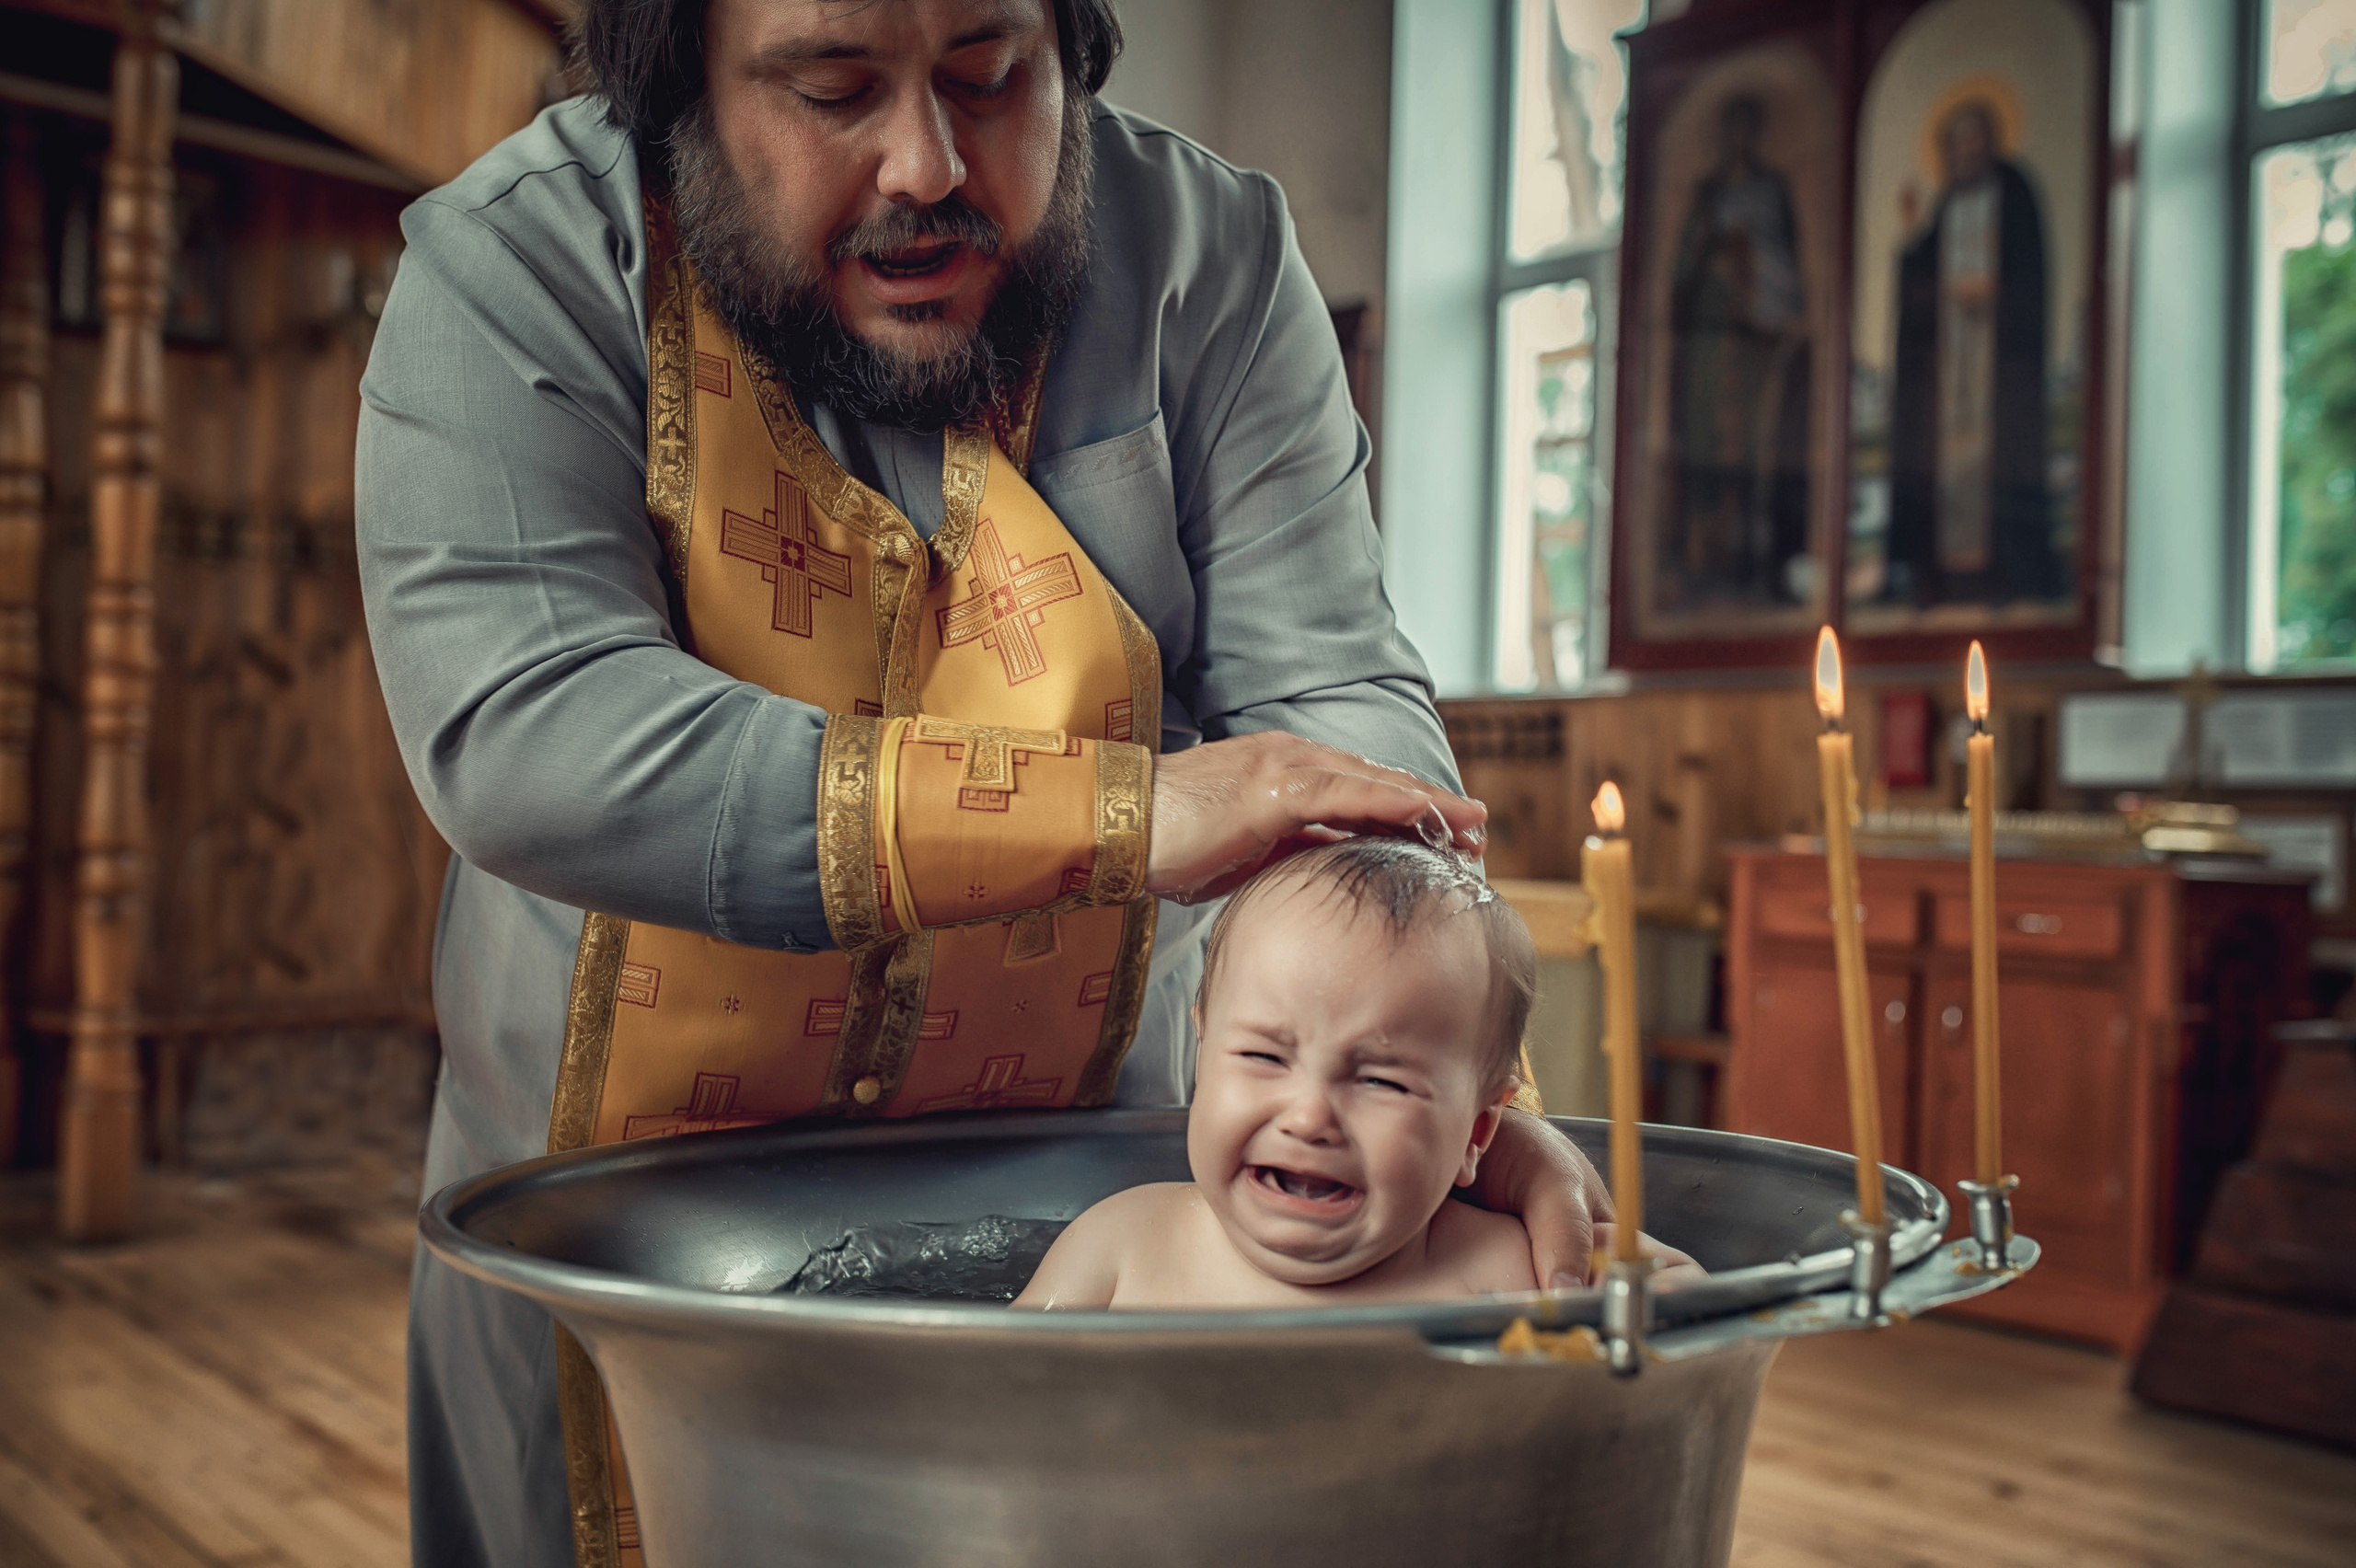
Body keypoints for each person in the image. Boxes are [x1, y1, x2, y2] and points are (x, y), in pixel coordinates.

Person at [355, 3, 1621, 1563]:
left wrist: (1448, 1076)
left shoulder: (1209, 258)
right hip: (618, 1222)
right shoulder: (515, 267)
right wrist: (1130, 813)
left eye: (988, 75)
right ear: (680, 87)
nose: (927, 166)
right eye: (834, 90)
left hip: (1112, 1219)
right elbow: (530, 730)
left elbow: (1339, 713)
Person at [1015, 840, 1699, 1310]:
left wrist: (1652, 1292)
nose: (1308, 1116)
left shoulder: (1505, 1275)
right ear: (1202, 1053)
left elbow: (1691, 1318)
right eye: (1263, 1057)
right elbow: (989, 1394)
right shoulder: (1120, 1248)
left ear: (1477, 1133)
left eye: (1382, 1082)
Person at [1885, 98, 2058, 608]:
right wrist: (1911, 242)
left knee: (1993, 458)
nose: (1964, 153)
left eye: (1973, 140)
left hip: (1997, 362)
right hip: (1951, 360)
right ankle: (1937, 573)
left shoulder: (2015, 193)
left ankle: (2004, 569)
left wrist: (1996, 291)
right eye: (1955, 145)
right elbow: (1922, 271)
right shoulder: (1947, 205)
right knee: (1944, 456)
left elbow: (2030, 276)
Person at [1664, 93, 1813, 610]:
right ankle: (1705, 556)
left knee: (1758, 448)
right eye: (1732, 128)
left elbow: (1787, 258)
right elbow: (1684, 271)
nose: (1739, 139)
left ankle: (1756, 555)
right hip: (1712, 337)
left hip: (1759, 336)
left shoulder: (1773, 188)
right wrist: (1719, 249)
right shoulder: (1708, 195)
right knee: (1706, 447)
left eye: (1748, 128)